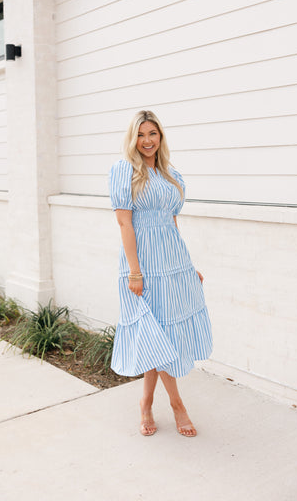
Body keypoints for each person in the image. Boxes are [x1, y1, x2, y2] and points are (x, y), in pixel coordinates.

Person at [108, 110, 213, 437]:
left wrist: (187, 265)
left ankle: (146, 401)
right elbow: (125, 223)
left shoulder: (170, 174)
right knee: (157, 335)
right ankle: (178, 405)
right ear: (133, 139)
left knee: (161, 337)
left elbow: (172, 223)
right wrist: (135, 272)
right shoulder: (124, 171)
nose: (147, 140)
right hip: (144, 265)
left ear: (161, 137)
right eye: (141, 135)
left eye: (153, 133)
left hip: (173, 263)